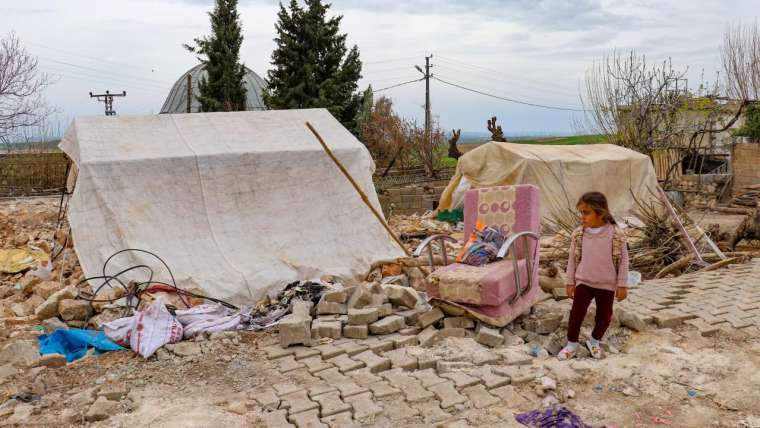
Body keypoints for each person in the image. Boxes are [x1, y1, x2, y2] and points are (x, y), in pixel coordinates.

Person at [558, 192, 629, 360]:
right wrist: (569, 282)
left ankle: (595, 342)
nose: (582, 217)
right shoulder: (579, 234)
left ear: (601, 213)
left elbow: (623, 261)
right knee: (576, 315)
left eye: (586, 212)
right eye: (581, 212)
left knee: (604, 317)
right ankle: (572, 344)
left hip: (607, 284)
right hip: (584, 282)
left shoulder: (616, 234)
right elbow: (572, 260)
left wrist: (622, 285)